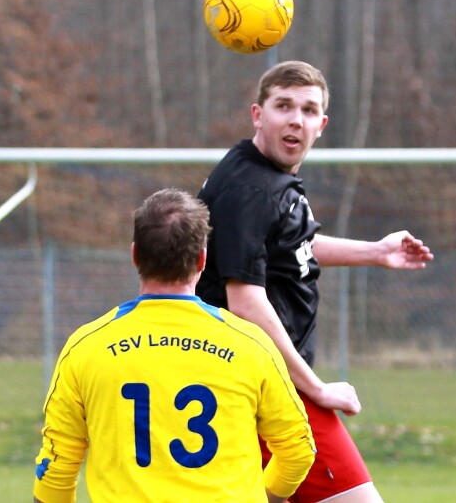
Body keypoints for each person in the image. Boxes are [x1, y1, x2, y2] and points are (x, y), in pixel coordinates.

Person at [196, 60, 434, 503]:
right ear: (258, 114)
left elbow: (288, 247)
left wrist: (376, 252)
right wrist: (315, 387)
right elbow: (245, 300)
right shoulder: (252, 190)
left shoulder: (263, 178)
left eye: (308, 110)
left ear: (321, 125)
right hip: (266, 387)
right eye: (283, 106)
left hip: (258, 381)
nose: (296, 120)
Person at [33, 188, 316, 503]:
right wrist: (266, 496)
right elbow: (299, 448)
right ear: (202, 259)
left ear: (135, 255)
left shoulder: (86, 347)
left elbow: (56, 467)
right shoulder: (251, 344)